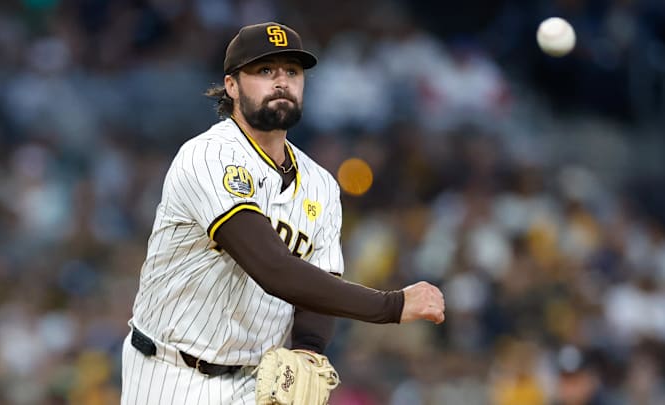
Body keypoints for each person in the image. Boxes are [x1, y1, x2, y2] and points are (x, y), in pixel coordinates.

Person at [120, 22, 445, 405]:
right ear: (231, 85)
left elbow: (318, 288)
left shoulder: (321, 184)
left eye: (292, 71)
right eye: (264, 71)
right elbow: (273, 268)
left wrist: (308, 349)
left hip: (256, 383)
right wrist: (392, 305)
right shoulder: (208, 155)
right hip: (170, 372)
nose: (281, 82)